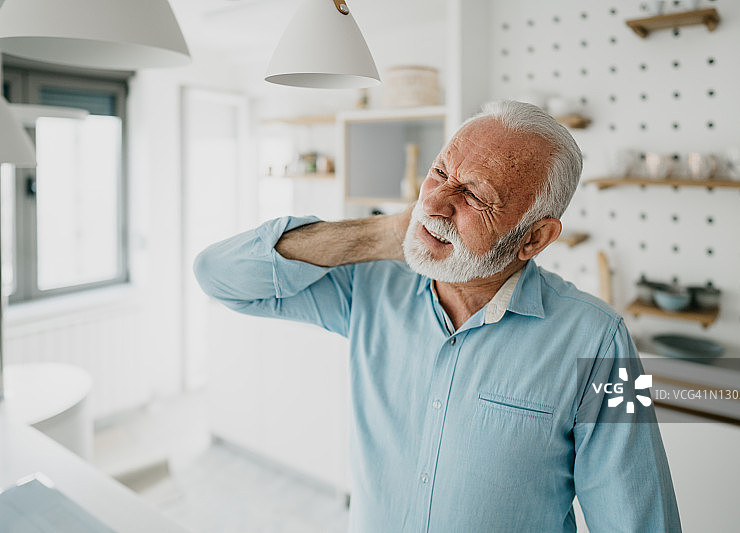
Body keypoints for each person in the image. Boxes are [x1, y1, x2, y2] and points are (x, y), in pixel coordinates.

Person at [194, 100, 681, 532]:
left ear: (534, 239)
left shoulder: (598, 342)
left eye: (475, 196)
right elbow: (218, 275)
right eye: (440, 172)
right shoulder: (372, 284)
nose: (436, 203)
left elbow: (639, 522)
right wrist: (381, 235)